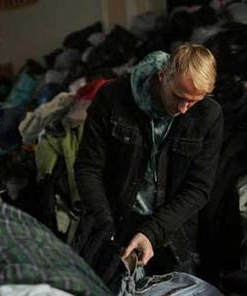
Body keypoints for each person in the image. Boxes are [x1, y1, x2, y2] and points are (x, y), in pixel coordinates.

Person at [73, 43, 223, 283]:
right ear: (163, 75)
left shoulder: (209, 114)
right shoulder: (113, 98)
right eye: (179, 97)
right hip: (112, 222)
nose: (184, 109)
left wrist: (151, 233)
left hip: (172, 232)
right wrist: (105, 227)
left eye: (193, 102)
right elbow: (88, 168)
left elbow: (198, 188)